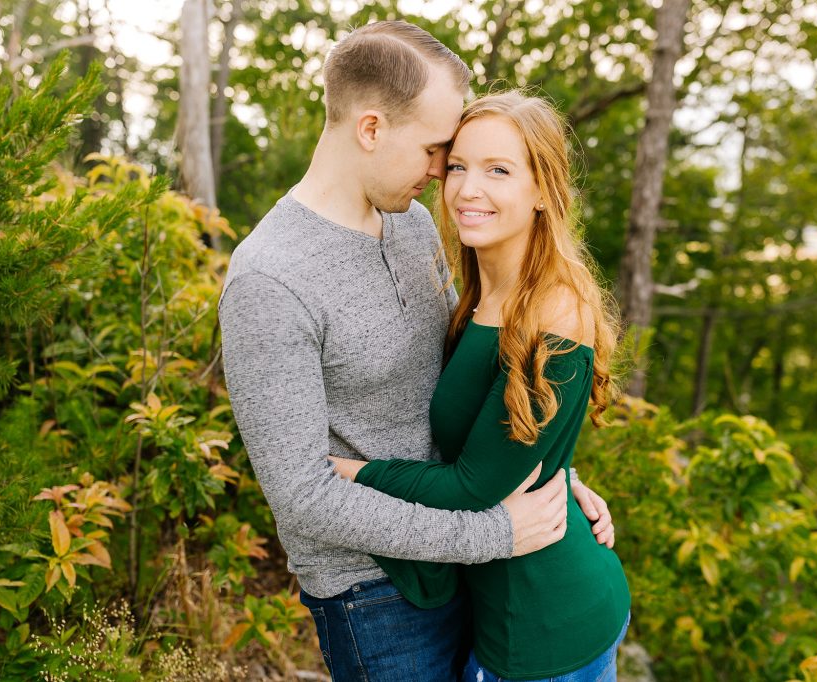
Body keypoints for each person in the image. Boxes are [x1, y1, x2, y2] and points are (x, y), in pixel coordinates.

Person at [218, 21, 616, 681]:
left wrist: (543, 465)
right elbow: (304, 497)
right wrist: (495, 533)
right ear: (371, 129)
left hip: (470, 562)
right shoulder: (269, 278)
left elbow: (467, 386)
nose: (444, 176)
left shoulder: (413, 224)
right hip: (378, 595)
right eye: (439, 151)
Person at [330, 91, 631, 681]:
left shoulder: (556, 312)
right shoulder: (481, 293)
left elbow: (473, 487)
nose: (468, 189)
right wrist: (559, 470)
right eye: (459, 166)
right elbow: (498, 443)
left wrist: (347, 470)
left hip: (545, 631)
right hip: (505, 610)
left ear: (543, 191)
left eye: (499, 170)